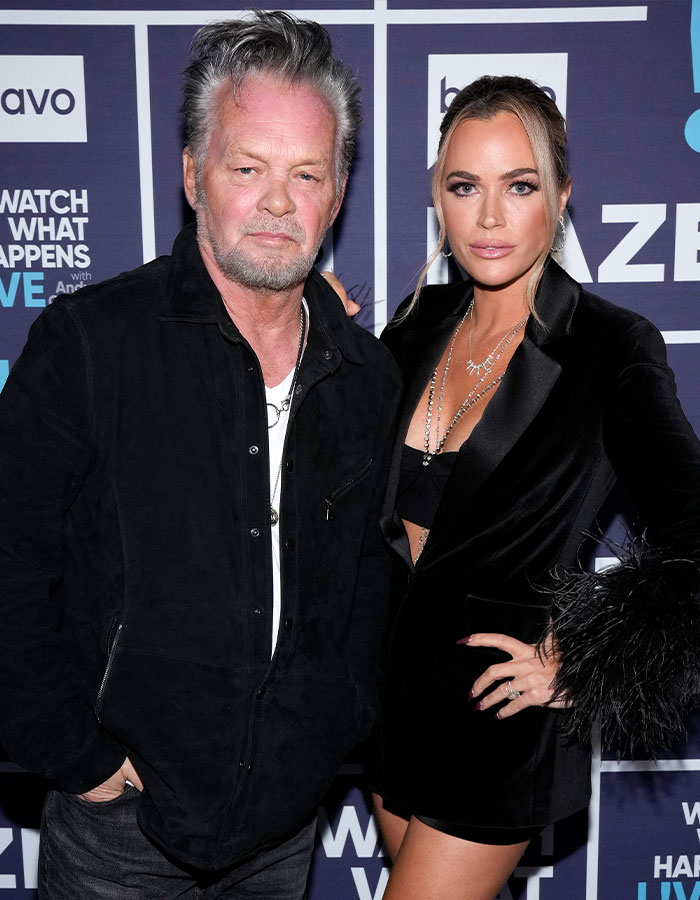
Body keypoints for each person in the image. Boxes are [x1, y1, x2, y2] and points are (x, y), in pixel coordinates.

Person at [0, 11, 400, 898]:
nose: (277, 200)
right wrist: (76, 753)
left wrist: (333, 729)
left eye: (306, 174)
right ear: (192, 176)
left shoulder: (367, 376)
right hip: (119, 831)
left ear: (337, 195)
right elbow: (10, 563)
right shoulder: (91, 344)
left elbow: (368, 587)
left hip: (285, 828)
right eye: (247, 167)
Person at [369, 75, 700, 900]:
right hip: (383, 709)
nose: (488, 218)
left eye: (519, 187)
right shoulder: (412, 328)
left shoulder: (609, 349)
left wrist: (582, 661)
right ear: (436, 197)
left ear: (561, 198)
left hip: (494, 726)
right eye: (464, 187)